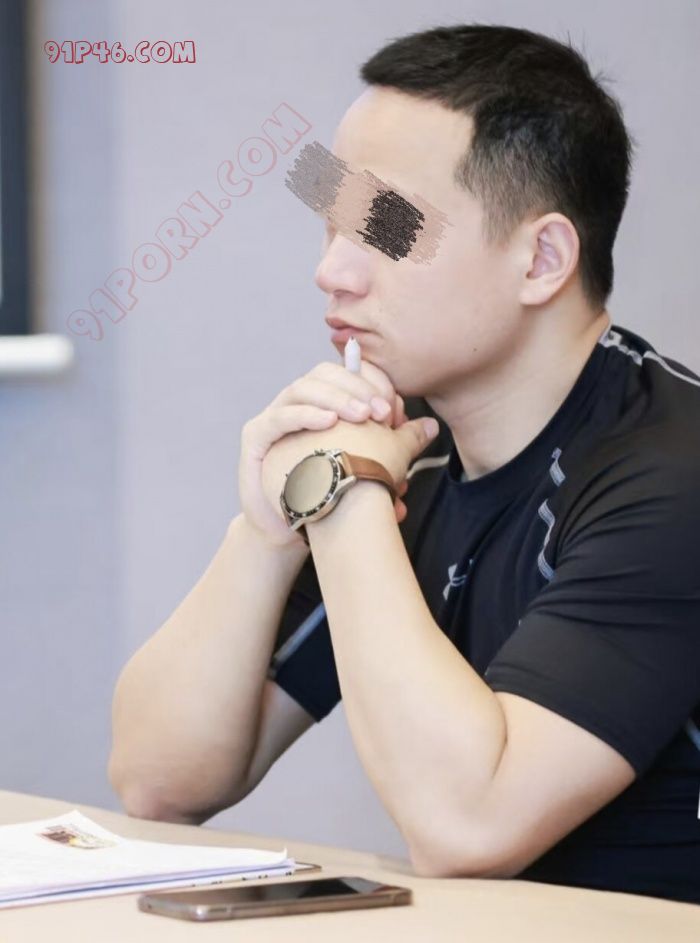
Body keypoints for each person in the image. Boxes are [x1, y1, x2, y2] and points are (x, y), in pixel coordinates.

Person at [109, 24, 700, 904]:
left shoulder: (671, 476)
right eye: (331, 222)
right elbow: (158, 779)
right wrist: (264, 532)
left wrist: (340, 494)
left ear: (541, 260)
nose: (331, 272)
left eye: (387, 229)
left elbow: (467, 826)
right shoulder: (402, 449)